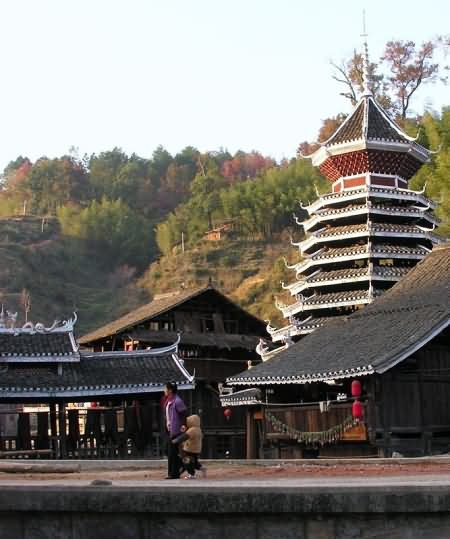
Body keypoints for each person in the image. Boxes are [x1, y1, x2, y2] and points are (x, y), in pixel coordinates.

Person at [163, 381, 187, 479]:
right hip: (170, 430)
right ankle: (177, 470)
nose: (164, 390)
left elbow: (184, 413)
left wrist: (183, 425)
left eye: (166, 389)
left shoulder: (177, 401)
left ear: (170, 390)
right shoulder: (169, 401)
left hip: (177, 430)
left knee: (172, 452)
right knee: (170, 452)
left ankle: (174, 474)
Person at [174, 414, 206, 479]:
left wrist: (175, 440)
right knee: (194, 462)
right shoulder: (198, 429)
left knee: (187, 461)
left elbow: (184, 437)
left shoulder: (192, 430)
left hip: (190, 449)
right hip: (196, 449)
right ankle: (202, 468)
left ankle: (191, 474)